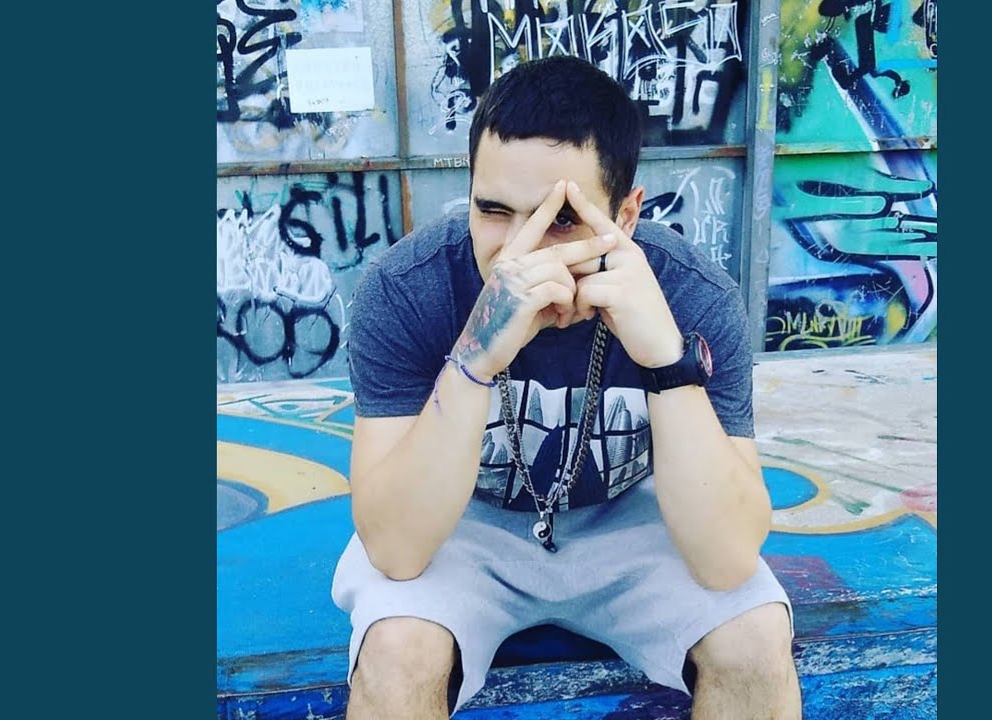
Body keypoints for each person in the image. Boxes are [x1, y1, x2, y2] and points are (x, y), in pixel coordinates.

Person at [331, 55, 802, 719]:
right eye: (494, 211)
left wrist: (666, 361)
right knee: (395, 652)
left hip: (635, 521)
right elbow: (396, 550)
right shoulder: (407, 288)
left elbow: (727, 561)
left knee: (755, 642)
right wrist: (474, 357)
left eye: (560, 220)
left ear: (626, 215)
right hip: (462, 526)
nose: (518, 251)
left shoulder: (692, 293)